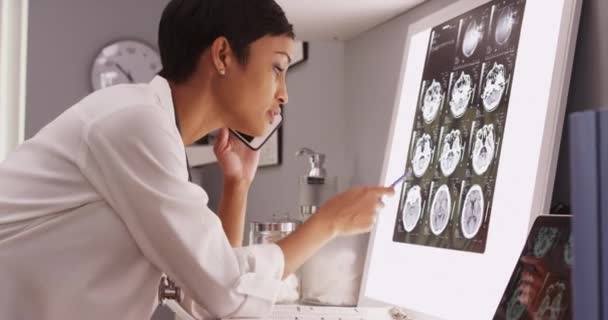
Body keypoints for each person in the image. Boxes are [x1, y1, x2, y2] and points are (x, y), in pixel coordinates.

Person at [0, 0, 395, 319]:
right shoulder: (135, 124)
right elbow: (225, 293)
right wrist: (329, 222)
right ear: (222, 55)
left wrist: (236, 187)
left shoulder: (151, 130)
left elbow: (203, 292)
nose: (283, 95)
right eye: (277, 68)